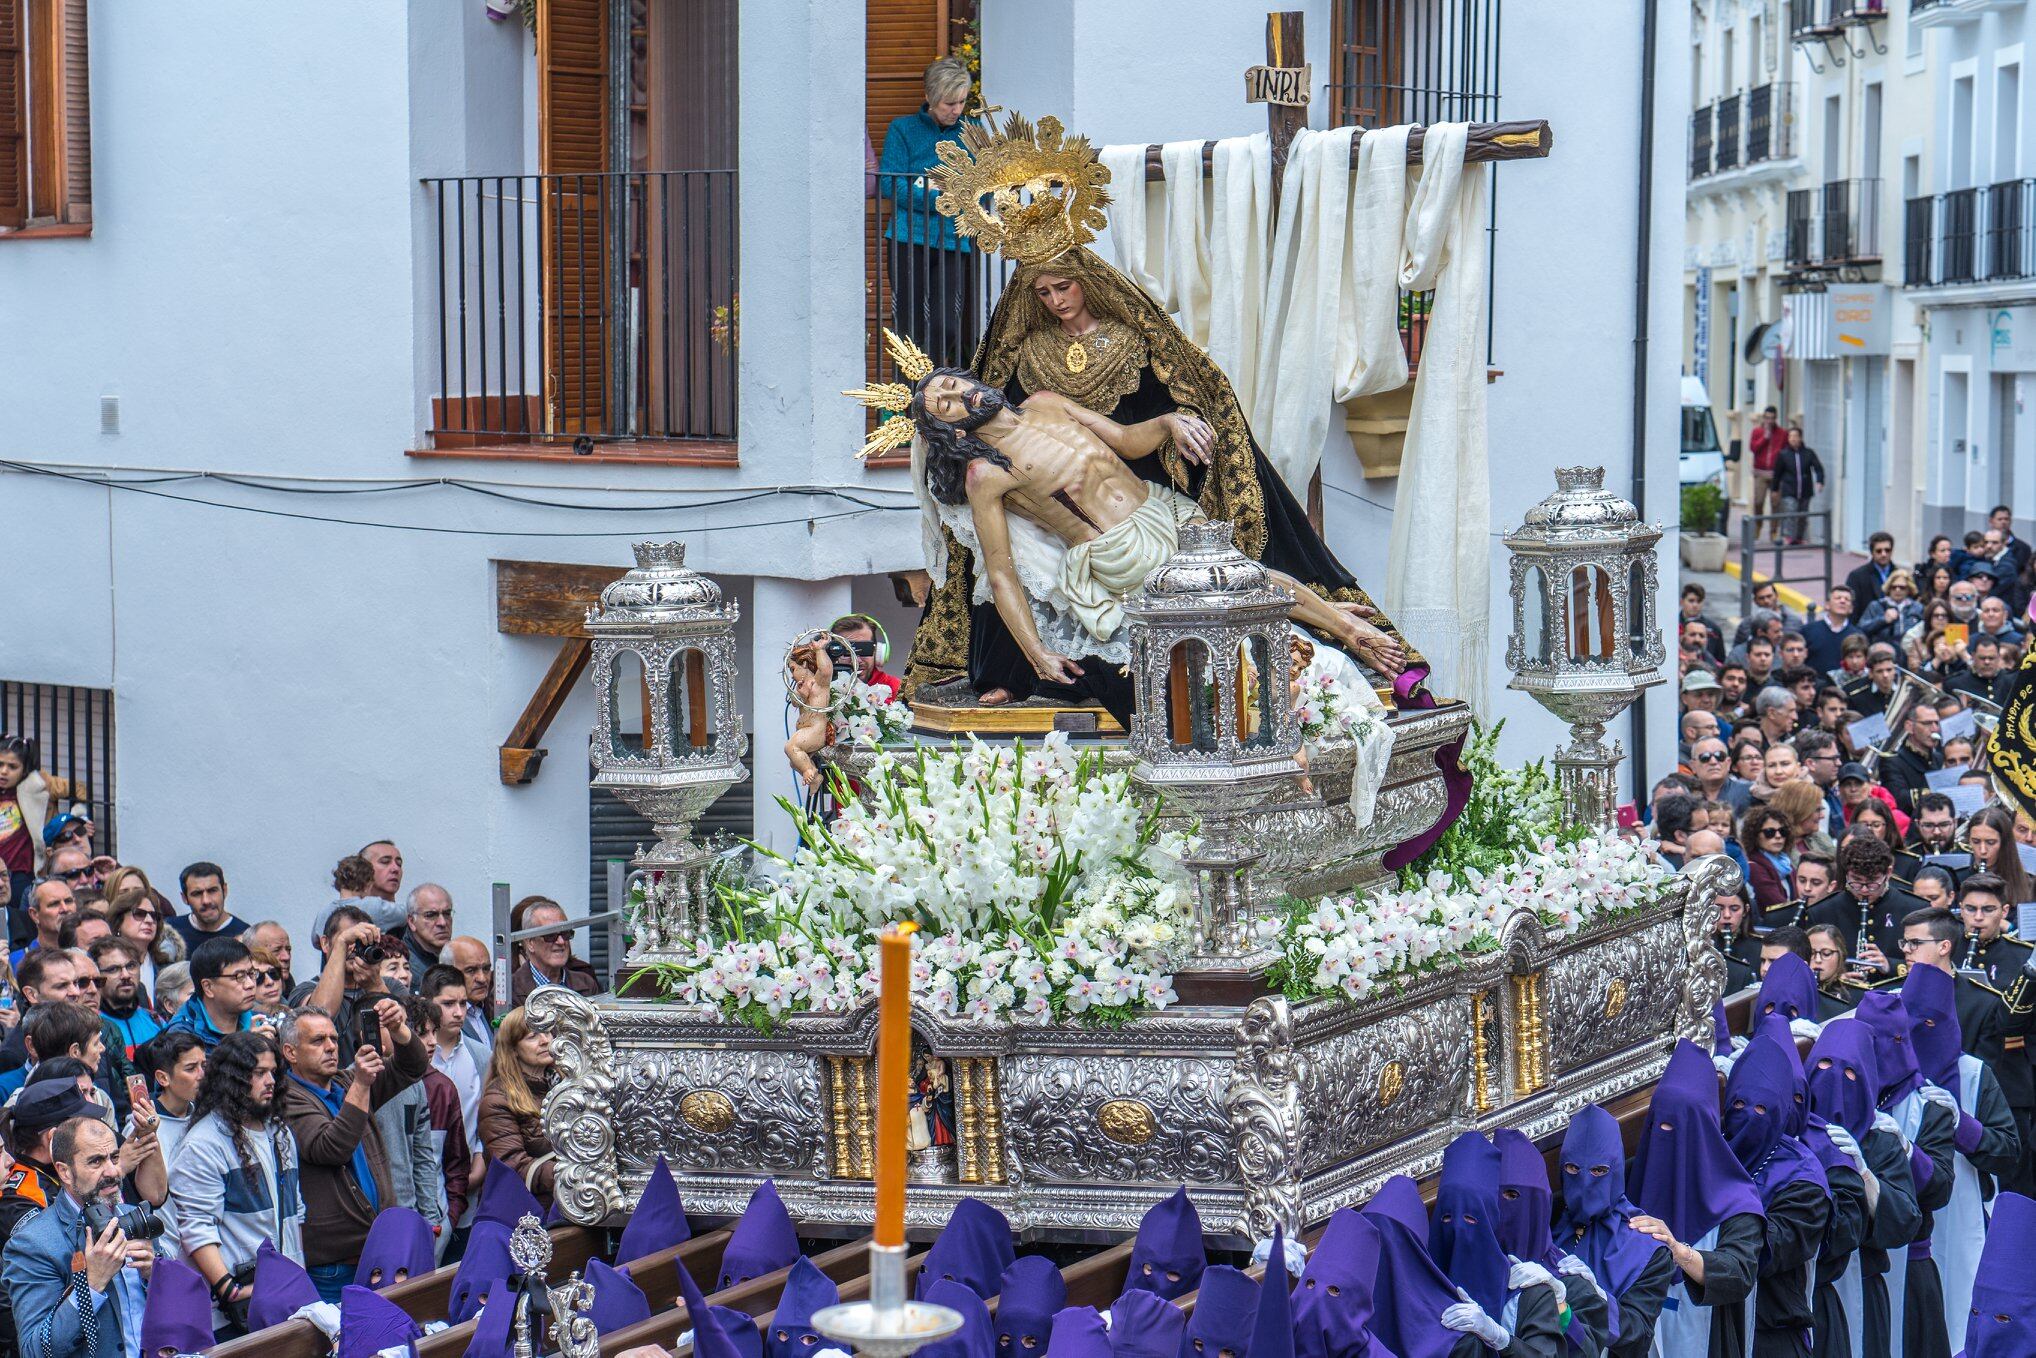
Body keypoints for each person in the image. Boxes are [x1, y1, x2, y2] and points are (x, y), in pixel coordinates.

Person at [1900, 961, 2022, 1342]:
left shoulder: (1973, 1074)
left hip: (1963, 1207)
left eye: (1932, 1023)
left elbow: (2007, 1151)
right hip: (1906, 1210)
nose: (1922, 1032)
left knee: (1959, 1304)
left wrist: (1963, 1126)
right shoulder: (1886, 1068)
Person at [277, 999, 428, 1303]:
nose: (331, 1047)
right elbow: (332, 1149)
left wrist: (399, 1030)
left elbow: (412, 1067)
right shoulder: (287, 1098)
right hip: (334, 1265)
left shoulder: (344, 1082)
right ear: (290, 1052)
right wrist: (361, 1084)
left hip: (378, 1248)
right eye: (318, 1041)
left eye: (333, 1038)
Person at [1626, 1040, 1765, 1357]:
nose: (1666, 1134)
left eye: (1680, 1127)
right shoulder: (1637, 1178)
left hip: (1708, 1334)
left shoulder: (1736, 1200)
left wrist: (1679, 1252)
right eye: (1659, 1124)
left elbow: (1740, 1272)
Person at [169, 1028, 300, 1336]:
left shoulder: (278, 1132)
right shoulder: (204, 1143)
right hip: (237, 1310)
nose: (270, 1081)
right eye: (259, 1073)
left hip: (286, 1293)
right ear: (234, 1079)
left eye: (272, 1072)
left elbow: (296, 1215)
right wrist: (230, 1291)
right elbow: (196, 1228)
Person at [1850, 992, 1960, 1358]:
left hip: (1911, 1260)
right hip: (1861, 1264)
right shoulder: (1841, 1086)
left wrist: (1908, 1151)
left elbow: (1940, 1189)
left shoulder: (1930, 1104)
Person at [1720, 1017, 1830, 1358]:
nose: (1750, 1117)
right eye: (1739, 1105)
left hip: (1772, 1329)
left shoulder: (1803, 1178)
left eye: (1763, 1109)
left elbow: (1771, 1250)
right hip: (1714, 1323)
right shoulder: (1713, 1154)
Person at [1, 1114, 154, 1358]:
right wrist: (90, 1284)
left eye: (114, 1157)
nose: (112, 1171)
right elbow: (35, 1351)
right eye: (96, 1162)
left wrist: (155, 1275)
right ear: (65, 1172)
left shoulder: (133, 1215)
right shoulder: (32, 1244)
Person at [1425, 1132, 1564, 1354]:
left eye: (1470, 1219)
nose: (1459, 1230)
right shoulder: (1425, 1286)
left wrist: (1499, 1338)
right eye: (1447, 1218)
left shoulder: (1529, 1293)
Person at [880, 58, 979, 369]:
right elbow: (891, 184)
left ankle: (929, 388)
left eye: (961, 101)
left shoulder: (972, 132)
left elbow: (983, 186)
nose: (957, 110)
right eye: (949, 103)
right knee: (909, 326)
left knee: (947, 324)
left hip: (954, 241)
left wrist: (933, 191)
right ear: (930, 97)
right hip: (907, 239)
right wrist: (945, 198)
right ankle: (904, 397)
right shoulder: (903, 129)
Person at [406, 993, 471, 1261]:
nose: (432, 1042)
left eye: (434, 1032)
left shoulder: (443, 1088)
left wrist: (449, 1219)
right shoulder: (381, 1084)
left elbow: (456, 1162)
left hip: (436, 1222)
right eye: (422, 1034)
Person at [1809, 835, 1925, 981]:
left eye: (1872, 883)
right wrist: (1834, 979)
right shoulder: (1822, 912)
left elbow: (1928, 965)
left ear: (1888, 873)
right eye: (1856, 881)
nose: (1863, 890)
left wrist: (1890, 965)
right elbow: (1807, 966)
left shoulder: (1915, 908)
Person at [476, 1006, 556, 1207]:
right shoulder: (497, 1100)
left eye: (547, 1031)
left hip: (564, 1206)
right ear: (513, 1049)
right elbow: (512, 1166)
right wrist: (571, 1175)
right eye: (532, 1036)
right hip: (527, 1213)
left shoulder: (563, 1085)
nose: (545, 1040)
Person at [291, 904, 400, 1044]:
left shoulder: (392, 986)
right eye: (350, 940)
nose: (354, 948)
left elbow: (405, 1035)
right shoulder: (304, 990)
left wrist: (376, 986)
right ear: (325, 943)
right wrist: (342, 942)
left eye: (361, 941)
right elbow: (321, 1015)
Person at [422, 966, 485, 1150]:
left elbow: (488, 1115)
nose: (459, 1012)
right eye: (448, 1004)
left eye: (463, 1003)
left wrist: (480, 1156)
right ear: (426, 1003)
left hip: (470, 1170)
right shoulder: (415, 1056)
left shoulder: (481, 1056)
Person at [160, 937, 257, 1051]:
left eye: (251, 973)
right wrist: (249, 1049)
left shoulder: (257, 1020)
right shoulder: (181, 1037)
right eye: (239, 977)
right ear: (208, 987)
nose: (250, 984)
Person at [508, 897, 600, 1005]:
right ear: (530, 943)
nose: (561, 941)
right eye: (550, 935)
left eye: (565, 933)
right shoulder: (510, 991)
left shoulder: (586, 983)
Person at [137, 1029, 204, 1170]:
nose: (202, 1075)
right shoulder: (141, 1122)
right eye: (191, 1068)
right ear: (163, 1078)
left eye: (204, 1066)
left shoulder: (205, 1114)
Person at [90, 938, 160, 1064]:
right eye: (113, 969)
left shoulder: (156, 1021)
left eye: (131, 966)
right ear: (97, 977)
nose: (126, 975)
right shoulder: (91, 1028)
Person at [1967, 804, 2035, 906]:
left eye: (1990, 842)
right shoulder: (1960, 878)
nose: (1983, 850)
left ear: (2004, 843)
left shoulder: (2029, 886)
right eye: (1976, 841)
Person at [167, 863, 245, 950]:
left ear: (224, 890)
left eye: (212, 891)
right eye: (197, 894)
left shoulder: (245, 937)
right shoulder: (168, 932)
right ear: (185, 898)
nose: (206, 901)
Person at [1772, 427, 1826, 545]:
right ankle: (1788, 536)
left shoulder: (1808, 453)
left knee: (1802, 515)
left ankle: (1799, 537)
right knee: (1790, 512)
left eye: (1795, 436)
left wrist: (1820, 481)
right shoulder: (1783, 454)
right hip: (1789, 490)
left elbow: (1818, 468)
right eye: (1790, 437)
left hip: (1805, 490)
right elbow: (1777, 473)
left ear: (1800, 438)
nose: (1793, 439)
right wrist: (1775, 489)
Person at [10, 875, 76, 970]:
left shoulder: (88, 951)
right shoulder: (17, 962)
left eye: (68, 901)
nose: (65, 909)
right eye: (54, 904)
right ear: (35, 915)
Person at [1741, 804, 1798, 912]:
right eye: (1769, 832)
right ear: (1755, 835)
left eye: (1782, 831)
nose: (1778, 836)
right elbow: (1779, 906)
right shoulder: (1753, 867)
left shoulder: (1787, 864)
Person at [446, 936, 497, 1054]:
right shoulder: (440, 1018)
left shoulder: (489, 1007)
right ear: (448, 972)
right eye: (471, 970)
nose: (482, 979)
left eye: (486, 969)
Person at [1802, 585, 1864, 673]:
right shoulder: (1808, 631)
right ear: (1827, 605)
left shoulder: (1857, 635)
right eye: (1838, 598)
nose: (1842, 601)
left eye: (1847, 599)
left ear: (1851, 609)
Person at [402, 883, 454, 981]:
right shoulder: (403, 964)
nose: (442, 923)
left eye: (447, 914)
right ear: (412, 921)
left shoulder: (455, 955)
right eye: (431, 915)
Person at [1948, 633, 2015, 707]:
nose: (1987, 662)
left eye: (1991, 658)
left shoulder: (2012, 681)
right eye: (1982, 658)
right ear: (1973, 656)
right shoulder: (1955, 683)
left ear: (1999, 657)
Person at [246, 920, 296, 993]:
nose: (287, 957)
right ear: (253, 954)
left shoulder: (288, 982)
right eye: (276, 950)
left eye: (288, 949)